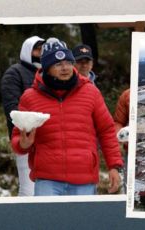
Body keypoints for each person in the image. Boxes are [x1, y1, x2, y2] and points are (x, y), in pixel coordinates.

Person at [11, 38, 124, 196]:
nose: (65, 68)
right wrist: (23, 144)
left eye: (69, 62)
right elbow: (17, 139)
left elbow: (106, 131)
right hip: (47, 180)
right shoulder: (30, 97)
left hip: (84, 179)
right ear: (46, 67)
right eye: (58, 64)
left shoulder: (91, 92)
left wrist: (114, 166)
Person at [0, 35, 45, 196]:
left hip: (48, 142)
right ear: (28, 50)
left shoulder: (49, 73)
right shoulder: (15, 73)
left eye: (43, 48)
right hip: (25, 140)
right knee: (29, 190)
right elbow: (12, 109)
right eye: (37, 48)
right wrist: (21, 137)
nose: (41, 52)